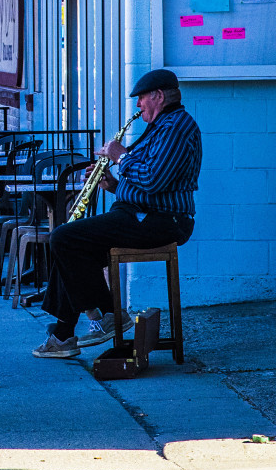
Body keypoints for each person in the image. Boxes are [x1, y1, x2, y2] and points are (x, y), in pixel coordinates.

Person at [36, 68, 202, 359]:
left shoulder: (177, 127)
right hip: (139, 213)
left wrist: (120, 156)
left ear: (158, 96)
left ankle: (111, 316)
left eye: (140, 99)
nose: (137, 105)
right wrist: (112, 184)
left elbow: (153, 179)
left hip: (161, 221)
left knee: (64, 238)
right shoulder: (161, 126)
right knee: (70, 245)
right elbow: (146, 183)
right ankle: (63, 336)